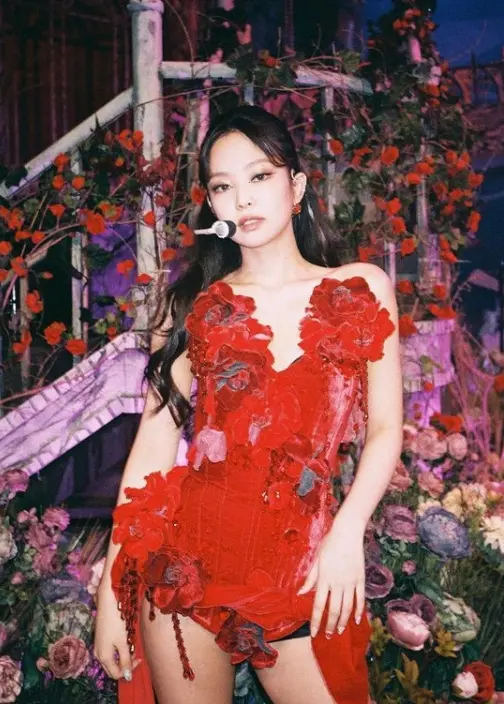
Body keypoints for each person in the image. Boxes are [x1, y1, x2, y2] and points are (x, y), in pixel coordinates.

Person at [94, 105, 403, 704]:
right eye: (222, 186)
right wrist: (113, 591)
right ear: (211, 204)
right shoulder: (192, 307)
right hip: (185, 568)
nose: (242, 198)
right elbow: (151, 456)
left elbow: (387, 428)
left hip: (305, 569)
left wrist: (348, 532)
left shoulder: (361, 288)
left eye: (260, 176)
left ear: (297, 186)